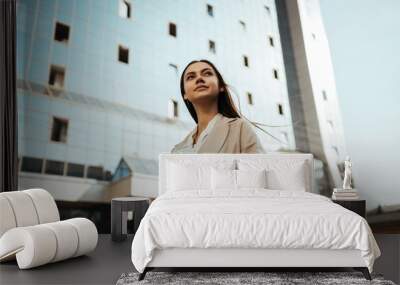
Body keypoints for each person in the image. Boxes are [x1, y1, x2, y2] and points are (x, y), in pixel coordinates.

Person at [171, 59, 265, 154]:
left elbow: (259, 167)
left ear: (221, 87)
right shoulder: (177, 151)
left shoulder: (240, 129)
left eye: (207, 73)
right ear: (185, 94)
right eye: (191, 77)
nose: (199, 78)